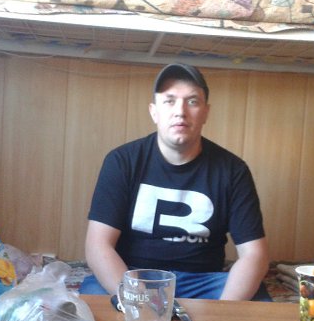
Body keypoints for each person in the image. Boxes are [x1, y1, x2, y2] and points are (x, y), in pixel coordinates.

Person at [80, 63, 271, 301]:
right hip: (133, 276)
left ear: (206, 112)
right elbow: (97, 246)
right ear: (154, 111)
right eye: (169, 101)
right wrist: (139, 302)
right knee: (93, 299)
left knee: (257, 300)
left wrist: (225, 312)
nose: (180, 111)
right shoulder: (122, 161)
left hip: (203, 282)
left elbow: (255, 255)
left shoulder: (233, 170)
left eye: (192, 101)